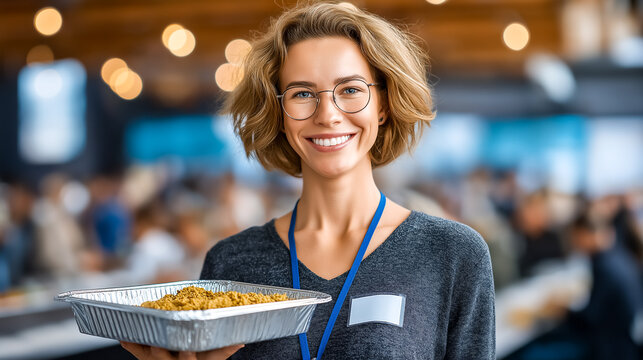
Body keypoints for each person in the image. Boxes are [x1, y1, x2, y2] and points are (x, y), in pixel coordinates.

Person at [122, 2, 495, 359]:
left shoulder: (451, 254)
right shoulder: (231, 264)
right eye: (302, 94)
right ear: (280, 114)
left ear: (382, 106)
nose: (328, 115)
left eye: (350, 89)